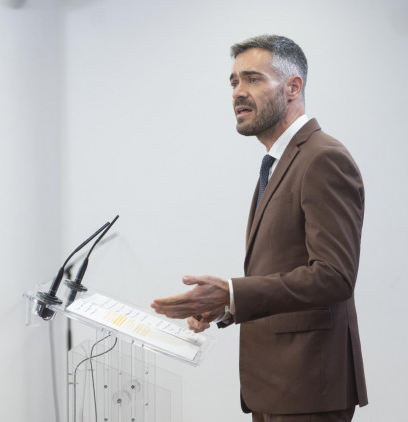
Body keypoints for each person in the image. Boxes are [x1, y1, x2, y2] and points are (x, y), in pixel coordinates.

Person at [151, 34, 368, 422]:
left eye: (252, 79)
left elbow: (334, 276)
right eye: (233, 81)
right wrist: (225, 305)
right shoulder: (277, 162)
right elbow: (279, 271)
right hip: (275, 385)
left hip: (308, 385)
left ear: (293, 87)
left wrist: (233, 291)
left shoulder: (322, 158)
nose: (238, 91)